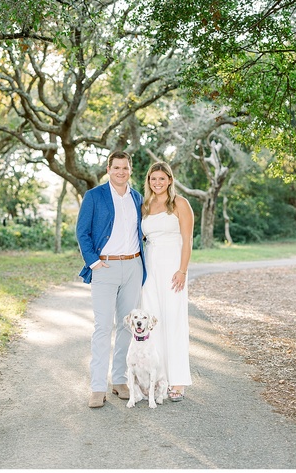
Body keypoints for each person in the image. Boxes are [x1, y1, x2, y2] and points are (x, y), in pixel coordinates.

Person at [76, 151, 147, 408]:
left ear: (130, 170)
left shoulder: (137, 197)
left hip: (133, 266)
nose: (121, 172)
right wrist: (94, 261)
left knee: (128, 326)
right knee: (103, 326)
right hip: (104, 267)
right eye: (116, 167)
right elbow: (82, 231)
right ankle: (97, 386)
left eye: (125, 168)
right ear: (108, 169)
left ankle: (119, 381)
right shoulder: (94, 196)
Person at [140, 162, 194, 401]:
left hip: (173, 267)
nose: (157, 183)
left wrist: (182, 270)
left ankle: (178, 381)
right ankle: (156, 378)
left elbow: (188, 240)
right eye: (153, 179)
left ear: (170, 180)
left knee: (174, 320)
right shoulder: (145, 205)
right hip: (150, 268)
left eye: (162, 179)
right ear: (149, 181)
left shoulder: (180, 204)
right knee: (153, 322)